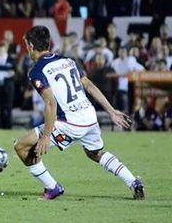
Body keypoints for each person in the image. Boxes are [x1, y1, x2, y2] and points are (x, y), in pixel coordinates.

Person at [13, 26, 144, 200]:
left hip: (69, 122)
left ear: (30, 46)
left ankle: (52, 188)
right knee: (95, 153)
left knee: (21, 146)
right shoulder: (69, 61)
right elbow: (89, 85)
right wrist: (111, 111)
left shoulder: (37, 71)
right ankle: (133, 181)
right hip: (89, 117)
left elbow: (51, 104)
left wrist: (46, 136)